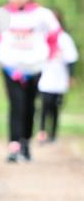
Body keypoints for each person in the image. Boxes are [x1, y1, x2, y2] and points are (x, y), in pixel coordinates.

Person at [0, 0, 60, 162]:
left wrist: (46, 56)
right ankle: (14, 145)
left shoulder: (42, 14)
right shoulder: (1, 14)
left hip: (34, 68)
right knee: (16, 104)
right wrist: (0, 56)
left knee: (30, 105)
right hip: (11, 68)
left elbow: (54, 35)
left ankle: (25, 142)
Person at [37, 14, 78, 143]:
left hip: (59, 78)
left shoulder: (64, 39)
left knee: (55, 107)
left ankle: (53, 135)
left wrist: (71, 76)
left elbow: (71, 59)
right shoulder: (41, 37)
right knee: (44, 106)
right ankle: (42, 131)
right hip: (44, 77)